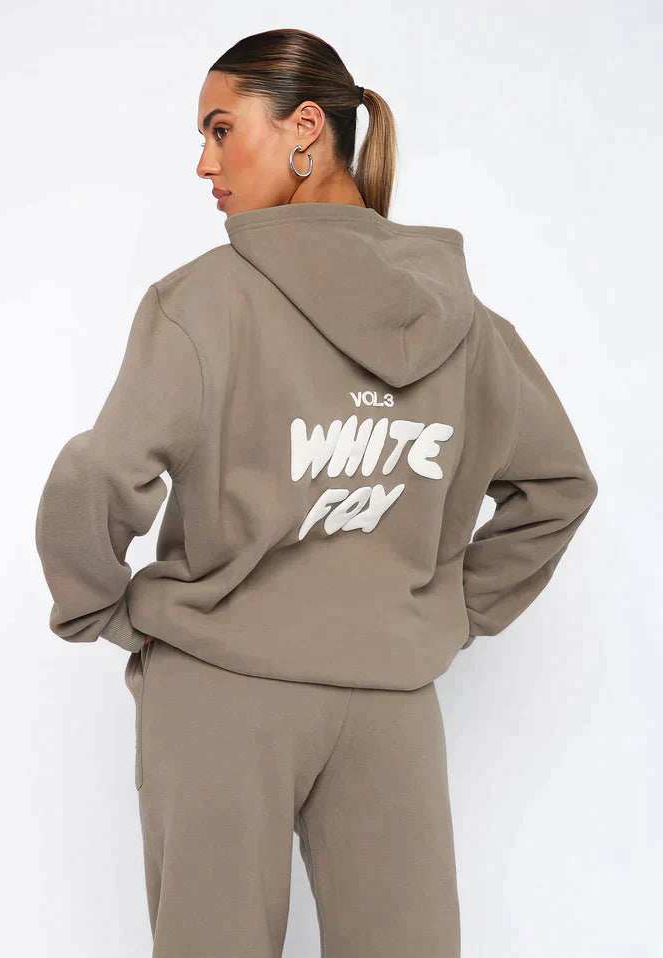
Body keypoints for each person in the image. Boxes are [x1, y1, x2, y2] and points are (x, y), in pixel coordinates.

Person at [34, 27, 598, 958]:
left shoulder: (201, 303)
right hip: (390, 700)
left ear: (304, 129)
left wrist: (106, 608)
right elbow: (558, 487)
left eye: (221, 129)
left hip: (219, 689)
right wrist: (446, 611)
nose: (204, 162)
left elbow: (96, 476)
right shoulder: (462, 321)